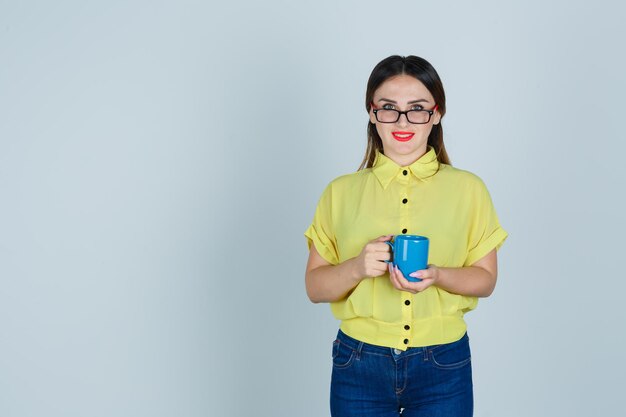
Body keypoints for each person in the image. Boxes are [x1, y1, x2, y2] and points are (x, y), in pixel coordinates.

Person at [304, 55, 507, 417]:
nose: (402, 121)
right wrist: (357, 267)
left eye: (416, 108)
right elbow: (315, 288)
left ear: (436, 113)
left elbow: (486, 279)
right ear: (371, 113)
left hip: (443, 362)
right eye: (388, 108)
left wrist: (438, 275)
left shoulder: (469, 189)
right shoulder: (340, 192)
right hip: (359, 361)